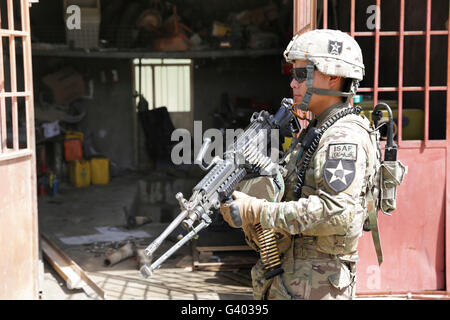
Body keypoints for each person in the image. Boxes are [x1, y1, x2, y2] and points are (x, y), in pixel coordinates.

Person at [220, 29, 381, 300]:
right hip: (295, 278)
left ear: (333, 77)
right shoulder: (317, 128)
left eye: (300, 75)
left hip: (315, 283)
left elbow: (336, 213)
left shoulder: (343, 137)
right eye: (292, 76)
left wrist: (258, 210)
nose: (293, 84)